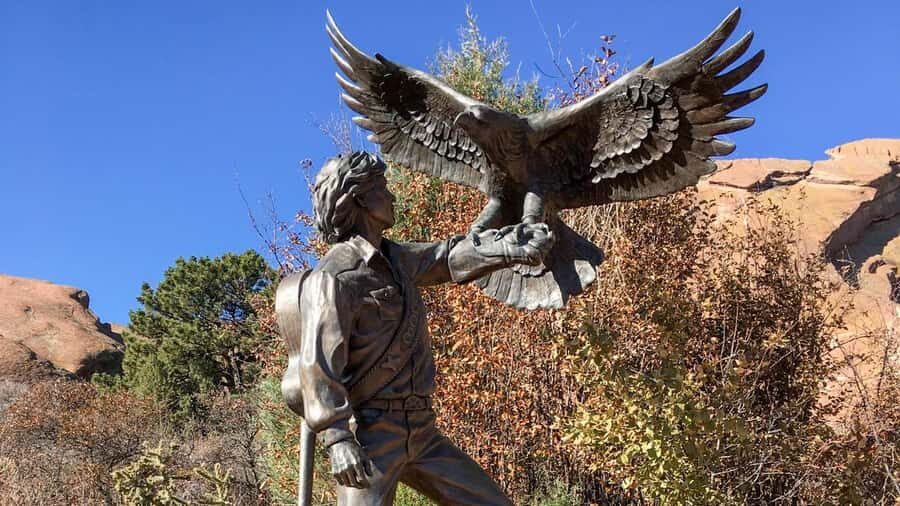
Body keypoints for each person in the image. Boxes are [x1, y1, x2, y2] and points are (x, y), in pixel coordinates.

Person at [299, 151, 553, 505]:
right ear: (358, 198)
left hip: (422, 430)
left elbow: (447, 258)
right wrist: (338, 439)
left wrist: (508, 247)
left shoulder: (398, 259)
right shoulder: (335, 277)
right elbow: (318, 365)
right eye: (382, 188)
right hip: (372, 437)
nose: (392, 196)